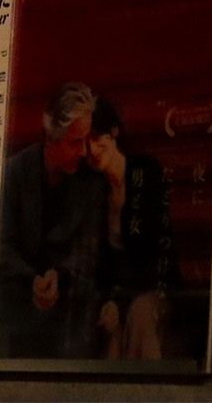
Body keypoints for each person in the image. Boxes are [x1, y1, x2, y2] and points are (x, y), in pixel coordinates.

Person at [0, 81, 109, 358]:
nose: (84, 151)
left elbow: (89, 251)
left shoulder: (91, 183)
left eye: (86, 140)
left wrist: (59, 276)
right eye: (75, 142)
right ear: (50, 139)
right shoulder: (15, 173)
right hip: (16, 306)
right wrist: (32, 281)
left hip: (68, 312)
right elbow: (0, 244)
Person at [87, 97, 177, 359]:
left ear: (114, 132)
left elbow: (154, 254)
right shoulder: (93, 190)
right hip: (117, 294)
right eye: (85, 142)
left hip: (156, 289)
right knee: (110, 332)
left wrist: (120, 301)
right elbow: (98, 264)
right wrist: (108, 301)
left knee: (140, 314)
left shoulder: (145, 171)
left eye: (97, 137)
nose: (92, 149)